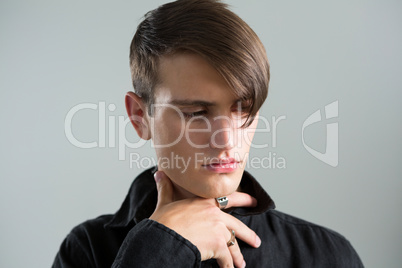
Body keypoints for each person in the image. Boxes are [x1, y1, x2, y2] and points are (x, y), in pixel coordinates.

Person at [53, 0, 364, 267]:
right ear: (140, 117)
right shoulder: (87, 252)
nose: (227, 140)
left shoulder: (326, 255)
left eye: (243, 109)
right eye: (196, 114)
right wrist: (159, 249)